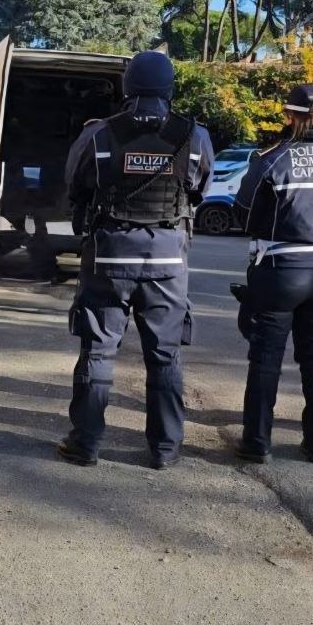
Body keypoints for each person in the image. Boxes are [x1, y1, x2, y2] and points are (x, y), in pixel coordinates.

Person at [58, 51, 214, 470]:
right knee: (165, 356)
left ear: (127, 86)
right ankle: (165, 449)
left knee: (98, 352)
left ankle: (85, 444)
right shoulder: (194, 135)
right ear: (169, 87)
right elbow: (200, 188)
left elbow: (75, 185)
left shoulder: (99, 133)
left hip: (109, 257)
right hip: (168, 262)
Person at [234, 84, 313, 464]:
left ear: (291, 116)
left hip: (280, 270)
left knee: (266, 359)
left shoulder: (272, 158)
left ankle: (257, 443)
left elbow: (245, 213)